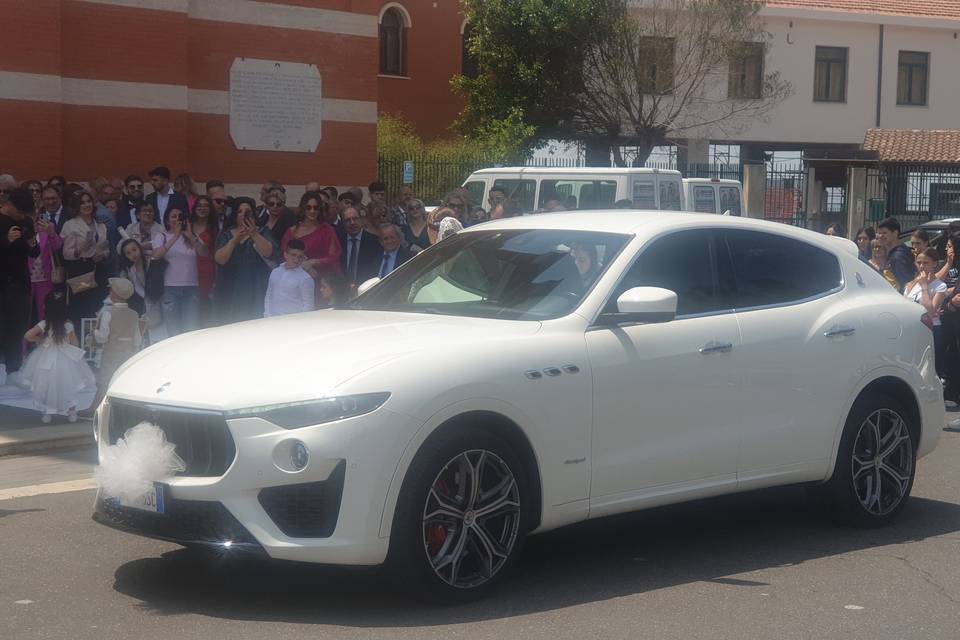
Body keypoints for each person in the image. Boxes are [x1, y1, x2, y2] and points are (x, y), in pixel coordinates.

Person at [19, 289, 95, 423]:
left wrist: (40, 340)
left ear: (46, 308)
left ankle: (48, 413)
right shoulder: (68, 325)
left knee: (47, 385)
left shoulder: (43, 324)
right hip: (65, 359)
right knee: (67, 384)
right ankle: (72, 412)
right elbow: (75, 343)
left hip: (46, 358)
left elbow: (27, 335)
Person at [84, 277, 142, 416]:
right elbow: (137, 339)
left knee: (105, 380)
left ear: (114, 293)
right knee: (124, 380)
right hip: (128, 352)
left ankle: (94, 408)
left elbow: (102, 337)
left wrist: (94, 331)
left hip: (112, 351)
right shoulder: (134, 314)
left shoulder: (107, 313)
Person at [214, 197, 277, 323]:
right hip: (231, 285)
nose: (243, 214)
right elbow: (219, 259)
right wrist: (234, 240)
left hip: (256, 285)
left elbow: (268, 252)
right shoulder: (226, 234)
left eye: (247, 211)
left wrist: (254, 234)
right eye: (240, 211)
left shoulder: (263, 231)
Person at [0, 188, 41, 382]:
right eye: (20, 212)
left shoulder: (24, 221)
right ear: (10, 205)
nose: (22, 216)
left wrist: (32, 243)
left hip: (20, 282)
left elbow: (34, 252)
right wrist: (6, 241)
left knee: (17, 326)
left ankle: (13, 370)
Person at [151, 208, 204, 337]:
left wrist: (190, 236)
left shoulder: (192, 237)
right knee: (173, 329)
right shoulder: (162, 236)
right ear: (167, 220)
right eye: (173, 216)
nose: (177, 220)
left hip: (192, 287)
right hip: (170, 288)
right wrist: (175, 235)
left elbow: (204, 253)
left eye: (180, 216)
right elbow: (156, 255)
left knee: (191, 328)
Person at [61, 191, 109, 329]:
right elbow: (66, 254)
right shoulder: (70, 225)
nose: (86, 204)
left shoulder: (100, 224)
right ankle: (81, 339)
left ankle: (96, 341)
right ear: (77, 206)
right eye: (82, 202)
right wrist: (81, 249)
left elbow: (107, 248)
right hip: (81, 270)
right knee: (82, 306)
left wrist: (103, 254)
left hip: (99, 268)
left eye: (89, 201)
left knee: (98, 305)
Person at [905, 248, 948, 377]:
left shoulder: (940, 286)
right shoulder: (911, 284)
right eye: (919, 263)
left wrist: (924, 287)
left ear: (934, 264)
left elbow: (930, 311)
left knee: (930, 367)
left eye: (926, 263)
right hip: (912, 328)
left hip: (931, 329)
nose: (922, 266)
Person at [281, 191, 341, 284]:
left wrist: (313, 262)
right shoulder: (291, 231)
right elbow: (284, 255)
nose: (312, 211)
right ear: (303, 209)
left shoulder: (327, 230)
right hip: (294, 282)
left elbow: (333, 257)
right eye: (308, 207)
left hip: (319, 282)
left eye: (315, 208)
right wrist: (300, 262)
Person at [28, 200, 63, 322]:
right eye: (31, 214)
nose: (33, 216)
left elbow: (58, 246)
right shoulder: (21, 230)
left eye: (36, 214)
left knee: (44, 311)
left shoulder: (46, 228)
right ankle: (24, 340)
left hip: (44, 278)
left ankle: (44, 339)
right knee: (25, 312)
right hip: (25, 278)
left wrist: (52, 233)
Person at [264, 238, 315, 317]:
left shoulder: (305, 278)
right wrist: (267, 315)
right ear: (285, 254)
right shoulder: (275, 272)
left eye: (300, 256)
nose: (296, 259)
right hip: (273, 319)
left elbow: (308, 305)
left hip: (293, 322)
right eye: (293, 255)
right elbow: (269, 296)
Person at [190, 195, 218, 327]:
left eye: (206, 205)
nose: (202, 208)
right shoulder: (187, 226)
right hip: (187, 269)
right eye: (199, 205)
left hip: (206, 271)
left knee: (204, 311)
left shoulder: (214, 229)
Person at [337, 205, 381, 285]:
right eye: (347, 220)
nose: (352, 223)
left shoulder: (374, 242)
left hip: (366, 287)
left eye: (355, 218)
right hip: (342, 289)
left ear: (361, 219)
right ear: (342, 223)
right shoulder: (338, 240)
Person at [876, 217, 915, 291]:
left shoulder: (898, 257)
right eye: (879, 233)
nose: (880, 236)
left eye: (884, 233)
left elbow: (906, 284)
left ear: (895, 233)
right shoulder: (898, 251)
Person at [116, 239, 147, 317]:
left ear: (139, 248)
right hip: (140, 303)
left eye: (134, 250)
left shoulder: (150, 262)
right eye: (128, 253)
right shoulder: (129, 270)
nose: (133, 254)